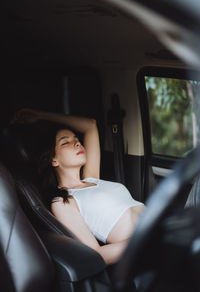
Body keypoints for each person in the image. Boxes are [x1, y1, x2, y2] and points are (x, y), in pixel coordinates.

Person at [13, 108, 145, 265]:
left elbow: (90, 125)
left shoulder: (93, 178)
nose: (77, 142)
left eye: (76, 139)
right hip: (145, 246)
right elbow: (95, 256)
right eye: (65, 142)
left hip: (161, 228)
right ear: (53, 160)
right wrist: (142, 240)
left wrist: (41, 115)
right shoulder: (63, 202)